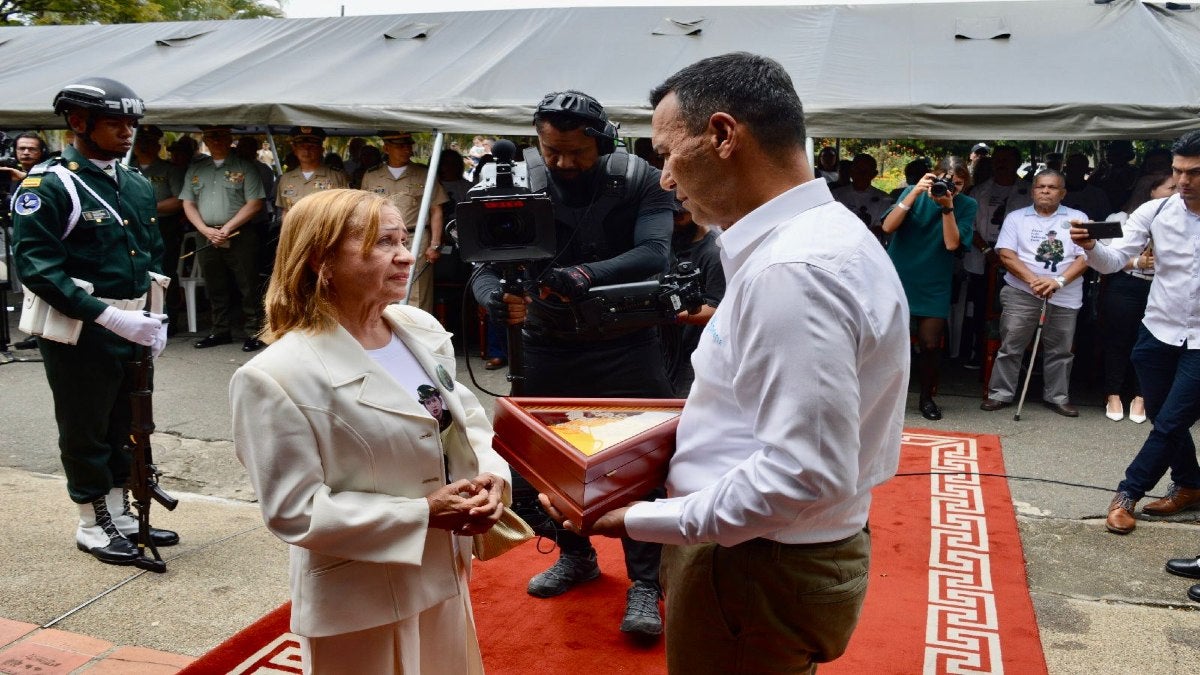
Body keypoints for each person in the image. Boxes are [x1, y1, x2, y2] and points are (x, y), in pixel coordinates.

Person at [540, 52, 909, 674]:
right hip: (766, 553)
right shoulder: (818, 237)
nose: (662, 179)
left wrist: (643, 518)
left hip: (751, 561)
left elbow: (801, 474)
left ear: (721, 135)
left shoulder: (792, 271)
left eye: (666, 153)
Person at [231, 189, 509, 673]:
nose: (405, 255)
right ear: (322, 261)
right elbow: (295, 511)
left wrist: (491, 478)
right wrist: (422, 513)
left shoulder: (416, 326)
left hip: (442, 569)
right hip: (359, 596)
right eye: (383, 242)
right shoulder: (275, 376)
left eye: (404, 239)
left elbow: (463, 419)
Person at [470, 89, 675, 636]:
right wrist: (493, 298)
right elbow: (482, 262)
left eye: (576, 153)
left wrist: (585, 275)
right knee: (551, 465)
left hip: (626, 344)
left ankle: (646, 583)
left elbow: (656, 252)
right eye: (551, 150)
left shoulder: (639, 179)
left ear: (602, 143)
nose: (562, 163)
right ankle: (577, 557)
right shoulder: (512, 180)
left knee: (642, 467)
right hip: (546, 345)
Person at [10, 77, 178, 566]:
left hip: (131, 319)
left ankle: (119, 512)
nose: (127, 132)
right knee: (85, 423)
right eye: (114, 122)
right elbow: (38, 268)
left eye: (131, 122)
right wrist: (106, 316)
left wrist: (155, 317)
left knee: (126, 422)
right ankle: (91, 521)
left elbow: (150, 255)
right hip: (80, 326)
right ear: (78, 123)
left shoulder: (136, 184)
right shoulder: (48, 185)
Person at [1069, 130, 1200, 538]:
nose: (1183, 181)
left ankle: (1127, 493)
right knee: (1164, 417)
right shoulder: (1156, 212)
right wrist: (1090, 246)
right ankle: (1192, 484)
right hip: (1157, 330)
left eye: (1194, 173)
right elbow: (1112, 262)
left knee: (1169, 421)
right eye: (1178, 171)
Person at [980, 170, 1088, 416]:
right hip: (1022, 291)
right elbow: (1006, 254)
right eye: (1041, 187)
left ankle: (1057, 397)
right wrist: (1034, 281)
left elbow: (1086, 257)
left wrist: (1058, 281)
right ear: (1032, 191)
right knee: (1011, 344)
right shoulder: (1017, 218)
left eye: (1052, 187)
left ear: (1063, 193)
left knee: (1061, 349)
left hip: (1065, 294)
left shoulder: (1078, 218)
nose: (1046, 191)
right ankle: (1000, 393)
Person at [880, 157, 976, 420]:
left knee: (931, 344)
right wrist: (914, 192)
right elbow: (888, 226)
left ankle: (926, 397)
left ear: (965, 184)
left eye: (958, 184)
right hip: (898, 277)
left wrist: (948, 208)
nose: (951, 188)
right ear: (933, 176)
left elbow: (951, 244)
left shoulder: (966, 204)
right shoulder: (912, 193)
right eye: (946, 181)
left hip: (934, 280)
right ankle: (882, 398)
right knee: (887, 340)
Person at [180, 125, 267, 352]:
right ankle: (220, 330)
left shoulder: (245, 167)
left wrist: (226, 228)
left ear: (230, 139)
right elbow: (187, 202)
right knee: (214, 284)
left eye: (220, 136)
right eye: (210, 137)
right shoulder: (197, 168)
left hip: (240, 234)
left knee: (247, 284)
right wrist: (204, 229)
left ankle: (254, 332)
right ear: (205, 141)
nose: (216, 141)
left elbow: (255, 203)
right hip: (206, 234)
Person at [1099, 173, 1176, 424]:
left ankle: (1142, 397)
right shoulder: (1120, 219)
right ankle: (1113, 395)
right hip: (1126, 285)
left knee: (1151, 344)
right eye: (1170, 187)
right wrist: (1136, 262)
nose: (1177, 192)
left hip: (1162, 287)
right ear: (1150, 191)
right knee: (1119, 341)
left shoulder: (1182, 220)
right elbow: (1108, 258)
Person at [958, 145, 1032, 369]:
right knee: (979, 308)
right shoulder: (978, 191)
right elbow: (968, 226)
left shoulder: (1028, 191)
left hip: (1018, 259)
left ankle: (1016, 358)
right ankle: (978, 354)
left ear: (1017, 163)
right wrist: (987, 251)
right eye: (998, 159)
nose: (1002, 163)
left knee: (1015, 310)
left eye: (1007, 159)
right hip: (983, 256)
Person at [360, 131, 447, 315]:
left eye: (408, 145)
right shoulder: (372, 176)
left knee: (417, 293)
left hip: (416, 237)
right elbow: (364, 212)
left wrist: (435, 244)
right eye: (400, 145)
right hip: (381, 238)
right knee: (382, 286)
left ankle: (417, 338)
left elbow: (436, 209)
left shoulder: (424, 174)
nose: (406, 149)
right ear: (386, 148)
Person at [662, 199, 724, 396]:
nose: (674, 219)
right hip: (666, 350)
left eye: (680, 215)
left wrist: (667, 313)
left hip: (694, 354)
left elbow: (716, 310)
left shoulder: (713, 252)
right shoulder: (667, 242)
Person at [132, 125, 186, 334]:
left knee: (165, 271)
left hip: (164, 226)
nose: (144, 147)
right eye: (140, 143)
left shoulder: (170, 170)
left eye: (149, 143)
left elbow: (180, 199)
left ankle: (169, 318)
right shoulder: (128, 168)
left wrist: (149, 208)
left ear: (157, 146)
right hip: (133, 227)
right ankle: (140, 315)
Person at [274, 127, 347, 222]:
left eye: (312, 146)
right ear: (295, 150)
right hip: (296, 234)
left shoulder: (336, 176)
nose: (306, 151)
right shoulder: (286, 178)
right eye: (301, 147)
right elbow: (286, 211)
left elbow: (345, 210)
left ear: (321, 150)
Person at [832, 153, 893, 241]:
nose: (862, 174)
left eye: (866, 171)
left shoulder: (884, 199)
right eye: (858, 170)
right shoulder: (835, 195)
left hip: (872, 248)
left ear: (874, 174)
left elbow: (883, 227)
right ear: (851, 172)